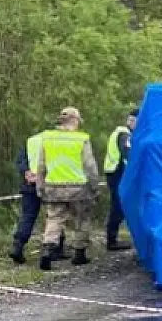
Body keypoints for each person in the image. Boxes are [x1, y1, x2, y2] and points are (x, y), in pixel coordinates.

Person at [36, 107, 101, 271]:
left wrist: (40, 186)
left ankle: (47, 249)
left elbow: (41, 166)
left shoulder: (48, 138)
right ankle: (79, 254)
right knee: (82, 219)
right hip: (78, 188)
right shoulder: (81, 139)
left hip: (53, 187)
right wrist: (95, 186)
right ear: (75, 120)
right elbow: (90, 166)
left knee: (54, 219)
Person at [9, 126, 66, 264]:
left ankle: (17, 246)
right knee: (55, 216)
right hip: (50, 184)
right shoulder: (56, 142)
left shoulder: (31, 141)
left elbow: (20, 160)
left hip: (30, 184)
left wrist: (27, 173)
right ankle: (54, 249)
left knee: (28, 216)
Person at [103, 108, 137, 251]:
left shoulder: (120, 132)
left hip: (113, 172)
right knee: (118, 206)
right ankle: (112, 240)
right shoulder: (124, 134)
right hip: (117, 173)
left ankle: (112, 238)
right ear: (132, 121)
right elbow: (127, 154)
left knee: (118, 205)